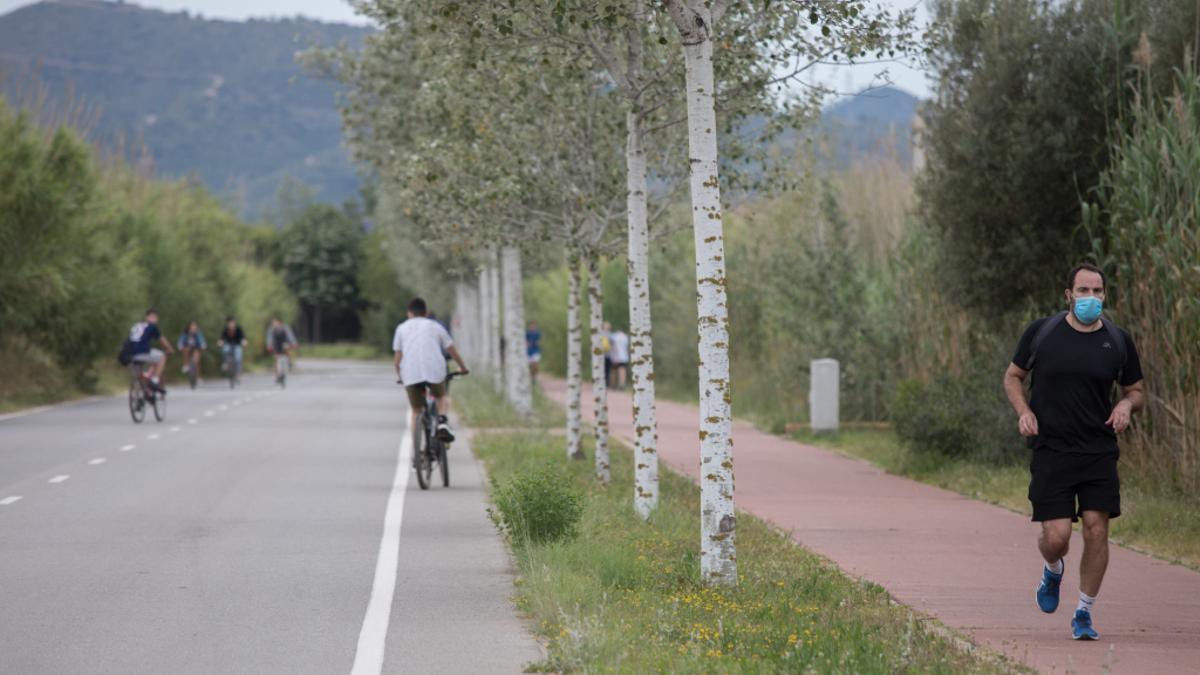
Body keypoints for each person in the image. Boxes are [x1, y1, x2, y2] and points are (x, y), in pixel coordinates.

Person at [1003, 263, 1144, 641]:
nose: (1091, 299)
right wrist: (1024, 411)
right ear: (1068, 295)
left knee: (1097, 530)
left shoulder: (1117, 340)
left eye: (1097, 291)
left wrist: (1126, 407)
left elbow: (1136, 389)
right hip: (1052, 449)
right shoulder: (1042, 333)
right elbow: (1013, 376)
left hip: (1098, 451)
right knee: (1058, 537)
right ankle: (1053, 569)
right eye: (1083, 291)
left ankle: (1084, 612)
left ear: (1105, 295)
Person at [393, 297, 469, 446]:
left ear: (409, 313)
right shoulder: (436, 326)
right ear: (426, 312)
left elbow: (397, 359)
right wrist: (463, 367)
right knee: (441, 396)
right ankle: (442, 421)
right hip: (435, 370)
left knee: (416, 410)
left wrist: (399, 375)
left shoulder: (401, 328)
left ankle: (417, 451)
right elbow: (452, 350)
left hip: (410, 373)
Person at [127, 309, 174, 391]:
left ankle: (142, 393)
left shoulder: (136, 325)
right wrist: (170, 349)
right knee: (162, 356)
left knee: (139, 376)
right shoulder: (152, 327)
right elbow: (162, 340)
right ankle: (154, 380)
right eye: (152, 317)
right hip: (142, 352)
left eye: (155, 317)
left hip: (128, 354)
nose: (153, 319)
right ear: (146, 317)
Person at [265, 317, 298, 382]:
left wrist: (294, 343)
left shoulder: (285, 328)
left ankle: (289, 363)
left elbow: (290, 336)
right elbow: (269, 338)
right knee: (276, 359)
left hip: (284, 344)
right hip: (276, 345)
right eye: (273, 323)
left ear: (279, 322)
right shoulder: (271, 329)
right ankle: (277, 376)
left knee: (287, 353)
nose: (274, 324)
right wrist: (269, 346)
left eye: (275, 323)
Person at [609, 325, 630, 390]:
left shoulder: (613, 336)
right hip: (624, 357)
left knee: (613, 371)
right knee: (622, 371)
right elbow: (627, 347)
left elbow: (611, 346)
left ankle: (613, 385)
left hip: (615, 357)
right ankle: (622, 385)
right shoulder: (625, 337)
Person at [601, 321, 613, 387]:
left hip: (602, 354)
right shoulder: (610, 334)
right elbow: (612, 345)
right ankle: (606, 383)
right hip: (608, 354)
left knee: (604, 369)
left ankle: (603, 382)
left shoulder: (599, 333)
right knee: (607, 370)